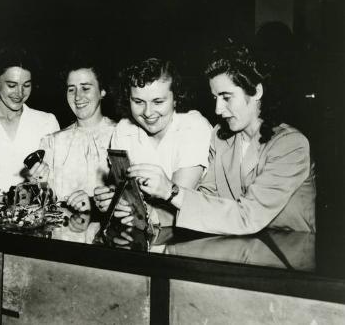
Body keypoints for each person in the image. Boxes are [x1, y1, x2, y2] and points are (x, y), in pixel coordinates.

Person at [128, 43, 316, 234]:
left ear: (257, 91)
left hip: (288, 251)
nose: (218, 109)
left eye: (226, 97)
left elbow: (248, 217)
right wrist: (150, 215)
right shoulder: (222, 139)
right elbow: (206, 201)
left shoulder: (291, 145)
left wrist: (171, 191)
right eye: (215, 98)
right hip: (241, 249)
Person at [94, 57, 213, 226]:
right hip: (143, 232)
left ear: (176, 98)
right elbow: (125, 192)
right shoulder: (124, 129)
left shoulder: (193, 127)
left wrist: (140, 211)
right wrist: (111, 200)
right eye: (138, 102)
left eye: (158, 102)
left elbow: (179, 202)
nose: (148, 113)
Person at [0, 45, 60, 192]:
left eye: (26, 85)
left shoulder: (47, 122)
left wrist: (43, 181)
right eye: (12, 85)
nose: (19, 93)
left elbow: (59, 181)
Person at [31, 58, 116, 212]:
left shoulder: (122, 136)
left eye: (85, 88)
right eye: (71, 89)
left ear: (102, 91)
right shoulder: (53, 142)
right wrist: (41, 182)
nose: (77, 97)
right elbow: (45, 203)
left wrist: (94, 203)